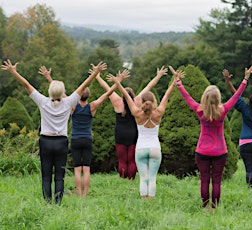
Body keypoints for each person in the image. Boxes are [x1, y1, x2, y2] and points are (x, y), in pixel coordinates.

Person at [1, 59, 107, 204]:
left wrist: (13, 72)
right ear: (63, 92)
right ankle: (57, 203)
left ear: (50, 91)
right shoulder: (69, 102)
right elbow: (84, 85)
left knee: (46, 175)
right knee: (59, 175)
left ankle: (47, 203)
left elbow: (26, 85)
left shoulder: (43, 101)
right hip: (61, 142)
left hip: (45, 141)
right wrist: (95, 73)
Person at [170, 65, 251, 211]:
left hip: (202, 150)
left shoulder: (199, 109)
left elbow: (186, 96)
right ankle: (214, 208)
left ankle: (205, 207)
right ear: (218, 97)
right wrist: (245, 79)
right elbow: (236, 95)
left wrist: (178, 82)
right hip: (220, 151)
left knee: (204, 180)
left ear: (204, 97)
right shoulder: (223, 110)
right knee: (217, 182)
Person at [38, 66, 129, 197]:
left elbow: (57, 93)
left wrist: (48, 77)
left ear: (79, 96)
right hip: (87, 139)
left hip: (75, 139)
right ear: (89, 96)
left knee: (77, 169)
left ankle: (78, 193)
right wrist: (117, 82)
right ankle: (85, 195)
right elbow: (107, 94)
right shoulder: (92, 106)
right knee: (86, 169)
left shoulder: (72, 105)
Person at [107, 69, 183, 199]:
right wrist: (174, 82)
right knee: (152, 178)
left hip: (141, 149)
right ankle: (151, 201)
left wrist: (117, 83)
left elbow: (126, 95)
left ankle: (143, 202)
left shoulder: (137, 113)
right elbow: (166, 97)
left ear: (142, 102)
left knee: (143, 178)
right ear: (153, 102)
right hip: (155, 149)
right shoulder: (158, 113)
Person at [96, 67, 168, 179]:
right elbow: (149, 86)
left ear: (122, 94)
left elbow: (107, 88)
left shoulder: (117, 101)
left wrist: (97, 76)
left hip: (120, 133)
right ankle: (131, 178)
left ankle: (123, 178)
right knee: (132, 159)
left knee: (122, 160)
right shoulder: (138, 101)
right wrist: (158, 75)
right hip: (134, 133)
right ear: (133, 94)